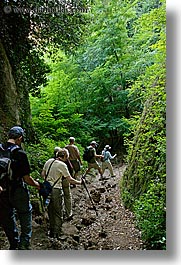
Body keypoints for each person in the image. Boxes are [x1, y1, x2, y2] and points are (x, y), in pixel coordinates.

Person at [0, 126, 40, 250]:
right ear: (20, 138)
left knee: (7, 217)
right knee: (25, 213)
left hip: (2, 191)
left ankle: (13, 242)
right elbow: (27, 179)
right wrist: (38, 185)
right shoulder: (20, 153)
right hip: (18, 190)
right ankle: (24, 243)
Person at [41, 148, 82, 239]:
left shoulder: (49, 161)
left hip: (47, 189)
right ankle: (57, 232)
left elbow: (42, 174)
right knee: (58, 211)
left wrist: (48, 181)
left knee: (50, 210)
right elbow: (70, 179)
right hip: (56, 189)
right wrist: (80, 183)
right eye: (67, 157)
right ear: (64, 156)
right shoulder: (62, 165)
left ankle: (51, 231)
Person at [54, 147, 73, 221]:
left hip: (55, 182)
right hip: (65, 180)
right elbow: (71, 169)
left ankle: (60, 215)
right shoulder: (65, 161)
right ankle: (69, 213)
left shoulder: (52, 160)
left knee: (59, 198)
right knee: (67, 196)